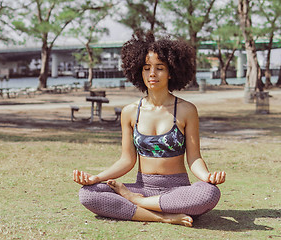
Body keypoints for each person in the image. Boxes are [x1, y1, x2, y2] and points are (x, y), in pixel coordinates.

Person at [72, 32, 226, 227]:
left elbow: (194, 157)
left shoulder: (187, 110)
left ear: (171, 72)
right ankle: (163, 216)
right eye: (146, 68)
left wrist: (207, 177)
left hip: (177, 190)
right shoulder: (130, 112)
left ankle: (139, 204)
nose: (152, 73)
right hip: (142, 187)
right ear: (139, 72)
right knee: (88, 194)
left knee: (209, 193)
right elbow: (127, 160)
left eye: (160, 68)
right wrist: (97, 177)